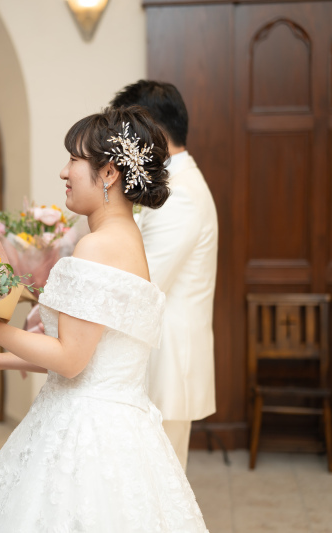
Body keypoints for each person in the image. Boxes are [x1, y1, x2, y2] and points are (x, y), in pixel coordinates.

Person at [0, 107, 208, 532]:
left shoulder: (98, 246)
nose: (64, 172)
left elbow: (71, 360)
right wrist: (0, 360)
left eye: (74, 160)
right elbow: (89, 357)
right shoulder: (130, 241)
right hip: (119, 426)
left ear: (109, 173)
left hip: (85, 434)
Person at [111, 80, 218, 470]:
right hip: (155, 358)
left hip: (168, 363)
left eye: (128, 132)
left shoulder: (181, 192)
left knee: (160, 496)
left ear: (151, 130)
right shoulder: (169, 185)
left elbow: (144, 285)